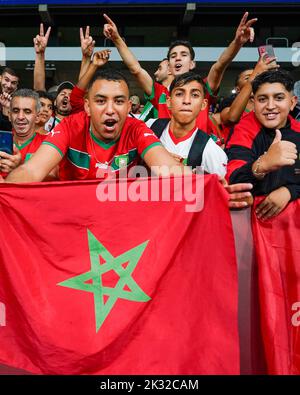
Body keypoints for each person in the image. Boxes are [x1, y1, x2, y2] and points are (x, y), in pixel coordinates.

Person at [103, 12, 256, 137]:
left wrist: (237, 43)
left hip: (199, 162)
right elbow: (136, 69)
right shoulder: (159, 93)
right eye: (173, 55)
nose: (177, 57)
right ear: (169, 65)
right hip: (167, 161)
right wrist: (117, 39)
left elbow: (219, 66)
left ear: (192, 64)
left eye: (183, 54)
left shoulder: (203, 88)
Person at [226, 69, 300, 220]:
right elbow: (233, 180)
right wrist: (262, 165)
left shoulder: (298, 131)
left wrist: (290, 191)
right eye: (262, 99)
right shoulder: (243, 130)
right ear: (254, 102)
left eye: (279, 98)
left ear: (292, 102)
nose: (270, 106)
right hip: (252, 223)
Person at [146, 72, 227, 177]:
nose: (187, 101)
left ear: (203, 104)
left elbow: (219, 189)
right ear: (169, 102)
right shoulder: (149, 127)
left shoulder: (212, 152)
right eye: (179, 94)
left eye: (195, 95)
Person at [0, 89, 47, 177]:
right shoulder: (1, 140)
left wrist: (19, 167)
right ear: (9, 115)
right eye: (16, 111)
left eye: (27, 111)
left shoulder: (47, 144)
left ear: (37, 117)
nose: (20, 117)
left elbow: (54, 174)